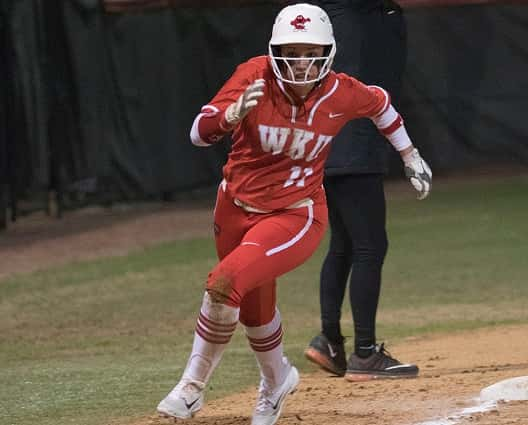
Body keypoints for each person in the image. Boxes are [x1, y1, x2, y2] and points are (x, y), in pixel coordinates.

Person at [156, 3, 432, 424]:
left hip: (293, 213)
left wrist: (410, 155)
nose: (301, 63)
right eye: (292, 51)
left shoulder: (342, 91)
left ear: (328, 53)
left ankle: (191, 387)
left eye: (311, 53)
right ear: (274, 51)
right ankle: (277, 379)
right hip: (233, 205)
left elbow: (383, 107)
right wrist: (230, 116)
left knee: (224, 283)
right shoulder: (254, 74)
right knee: (252, 309)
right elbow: (198, 131)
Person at [301, 0, 422, 382]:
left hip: (328, 140)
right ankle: (365, 353)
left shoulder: (339, 17)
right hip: (354, 140)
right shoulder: (355, 17)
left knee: (345, 245)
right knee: (370, 245)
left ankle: (330, 341)